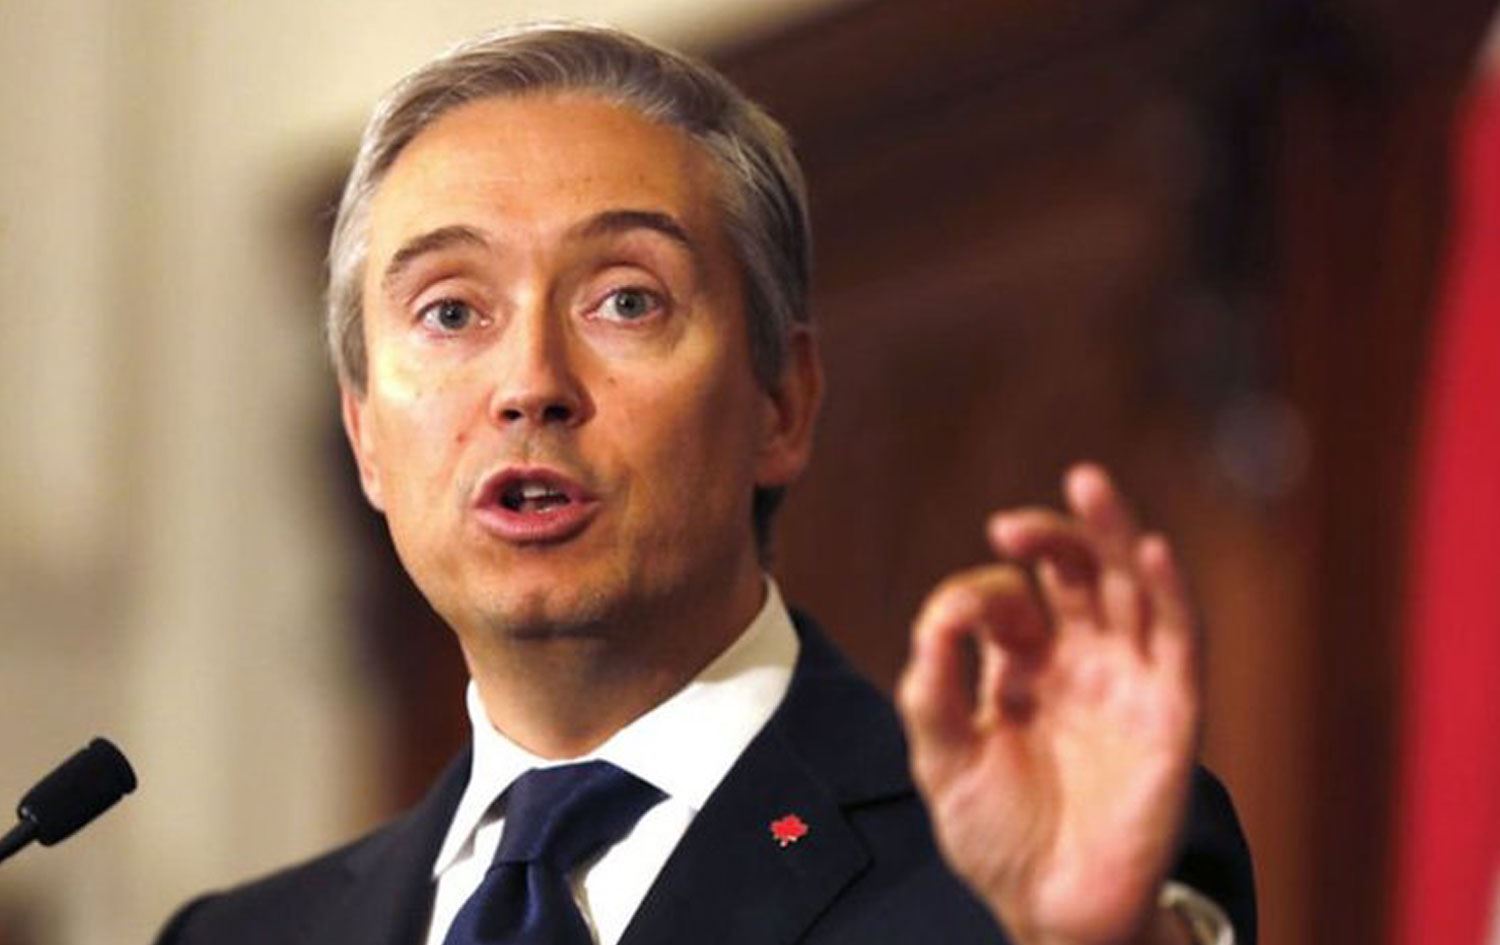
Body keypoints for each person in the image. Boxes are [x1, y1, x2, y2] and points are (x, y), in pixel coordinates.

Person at [155, 23, 1254, 945]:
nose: (531, 384)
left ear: (782, 403)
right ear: (364, 438)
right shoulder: (237, 938)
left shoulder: (1021, 863)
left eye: (626, 301)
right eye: (451, 311)